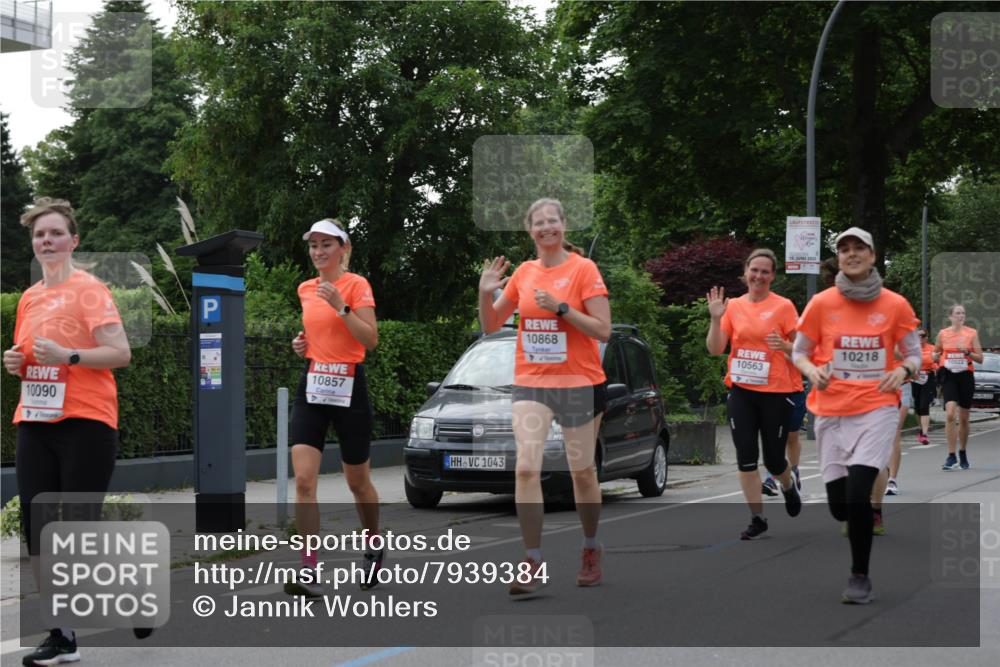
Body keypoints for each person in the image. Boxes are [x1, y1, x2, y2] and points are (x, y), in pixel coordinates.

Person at [3, 198, 133, 665]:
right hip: (36, 420)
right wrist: (15, 362)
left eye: (55, 233)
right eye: (40, 235)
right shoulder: (29, 298)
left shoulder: (90, 290)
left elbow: (120, 353)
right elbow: (31, 356)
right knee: (38, 529)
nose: (47, 241)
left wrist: (70, 356)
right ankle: (62, 635)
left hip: (86, 421)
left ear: (73, 241)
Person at [478, 198, 611, 598]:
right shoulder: (524, 272)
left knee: (581, 472)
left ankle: (590, 547)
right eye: (539, 222)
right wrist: (485, 293)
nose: (546, 226)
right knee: (525, 469)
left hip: (578, 381)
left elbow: (603, 330)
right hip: (532, 382)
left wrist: (563, 308)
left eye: (553, 220)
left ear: (564, 226)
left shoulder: (583, 269)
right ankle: (532, 559)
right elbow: (491, 325)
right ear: (530, 229)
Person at [793, 227, 921, 604]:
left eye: (859, 248)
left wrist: (904, 369)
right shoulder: (821, 303)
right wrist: (811, 371)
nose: (851, 253)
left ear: (872, 255)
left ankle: (859, 577)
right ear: (839, 258)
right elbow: (799, 351)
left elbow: (914, 354)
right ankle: (852, 517)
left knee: (858, 493)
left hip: (877, 407)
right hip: (831, 410)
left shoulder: (895, 305)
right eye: (844, 248)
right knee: (839, 508)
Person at [285, 218, 382, 596]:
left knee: (357, 482)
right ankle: (309, 569)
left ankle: (373, 543)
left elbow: (369, 340)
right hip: (313, 385)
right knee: (304, 481)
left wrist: (341, 306)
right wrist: (302, 345)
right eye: (314, 245)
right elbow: (318, 336)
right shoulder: (305, 288)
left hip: (349, 386)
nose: (319, 252)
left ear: (343, 248)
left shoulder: (357, 285)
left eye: (326, 244)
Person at [706, 248, 802, 540]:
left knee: (773, 460)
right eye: (754, 270)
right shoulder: (733, 306)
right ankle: (757, 518)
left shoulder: (784, 307)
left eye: (765, 271)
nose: (758, 276)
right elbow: (715, 349)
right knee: (745, 457)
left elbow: (804, 351)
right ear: (745, 272)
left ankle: (788, 484)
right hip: (742, 391)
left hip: (777, 392)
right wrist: (715, 319)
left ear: (772, 276)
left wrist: (784, 346)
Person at [932, 304, 983, 470]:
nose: (961, 316)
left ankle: (962, 452)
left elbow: (980, 358)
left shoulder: (971, 333)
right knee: (950, 414)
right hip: (949, 376)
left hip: (965, 376)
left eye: (963, 313)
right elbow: (936, 353)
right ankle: (951, 455)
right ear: (950, 317)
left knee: (964, 418)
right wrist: (934, 356)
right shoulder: (943, 334)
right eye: (957, 313)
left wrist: (967, 352)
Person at [909, 328, 938, 446]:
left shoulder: (932, 348)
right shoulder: (912, 348)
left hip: (928, 377)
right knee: (917, 407)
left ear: (926, 337)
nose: (920, 338)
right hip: (914, 377)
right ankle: (921, 430)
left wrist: (934, 364)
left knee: (924, 405)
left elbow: (936, 361)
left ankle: (925, 434)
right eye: (918, 336)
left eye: (923, 336)